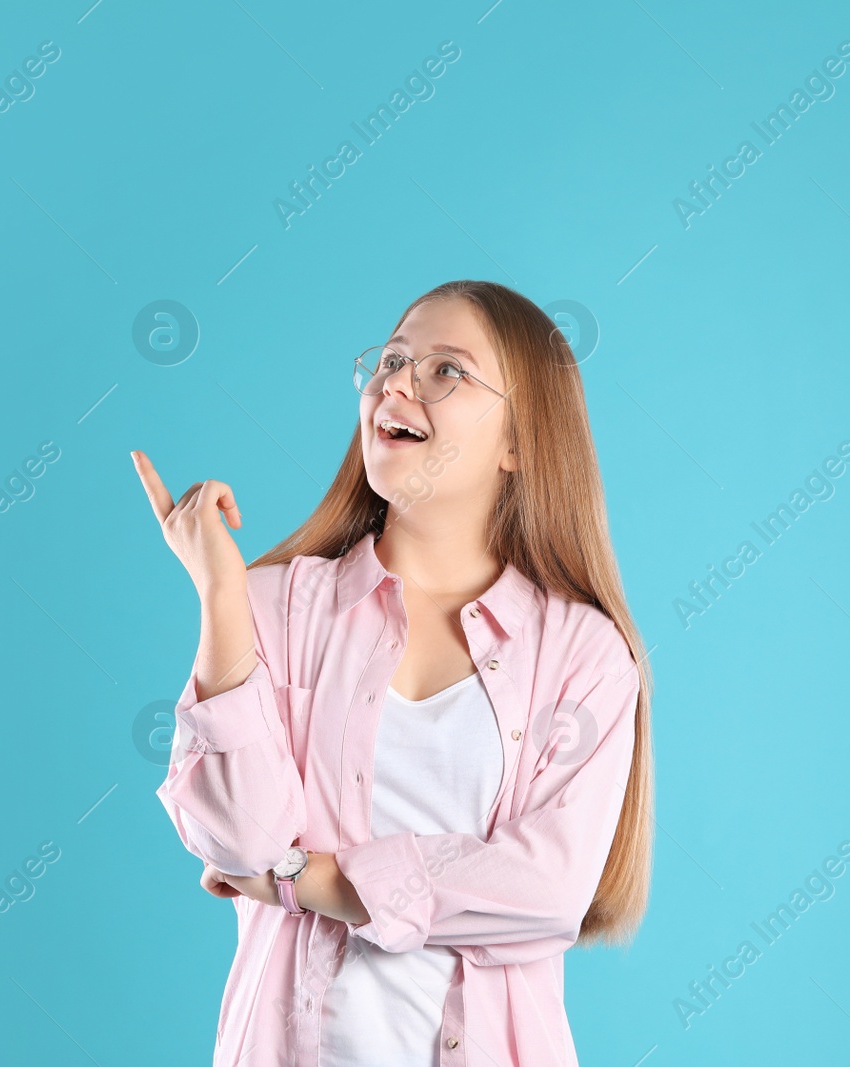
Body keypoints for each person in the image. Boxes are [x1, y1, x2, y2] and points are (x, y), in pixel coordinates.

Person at [132, 279, 654, 1066]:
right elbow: (236, 834)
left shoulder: (582, 653)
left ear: (519, 441)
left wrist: (307, 876)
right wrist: (219, 594)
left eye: (448, 370)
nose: (398, 381)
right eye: (394, 358)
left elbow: (545, 888)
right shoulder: (270, 607)